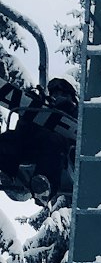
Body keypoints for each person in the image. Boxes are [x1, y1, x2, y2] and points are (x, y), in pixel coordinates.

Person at [0, 77, 78, 205]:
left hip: (60, 153)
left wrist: (67, 108)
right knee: (8, 138)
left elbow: (82, 134)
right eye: (55, 94)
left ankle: (44, 184)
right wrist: (28, 112)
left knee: (53, 141)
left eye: (62, 94)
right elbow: (22, 132)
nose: (57, 97)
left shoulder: (77, 114)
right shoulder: (43, 109)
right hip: (34, 147)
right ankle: (7, 172)